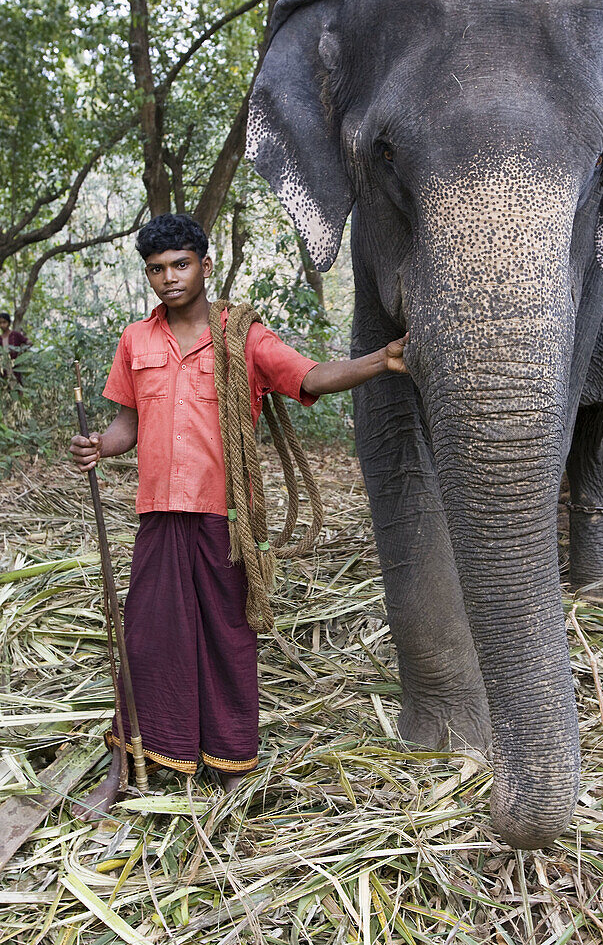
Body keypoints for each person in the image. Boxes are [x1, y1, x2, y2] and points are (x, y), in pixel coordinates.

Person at [69, 212, 408, 819]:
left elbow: (309, 376)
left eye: (180, 265)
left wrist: (379, 361)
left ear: (204, 264)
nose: (169, 279)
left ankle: (230, 766)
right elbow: (128, 422)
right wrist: (100, 446)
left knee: (227, 635)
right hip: (160, 514)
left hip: (225, 516)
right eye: (156, 270)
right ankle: (132, 760)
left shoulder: (242, 335)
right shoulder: (135, 340)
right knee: (145, 639)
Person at [0, 312, 31, 385]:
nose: (2, 325)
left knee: (17, 385)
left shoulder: (15, 335)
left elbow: (28, 342)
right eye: (0, 323)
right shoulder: (0, 338)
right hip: (3, 367)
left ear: (9, 323)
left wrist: (22, 351)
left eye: (4, 322)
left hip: (15, 365)